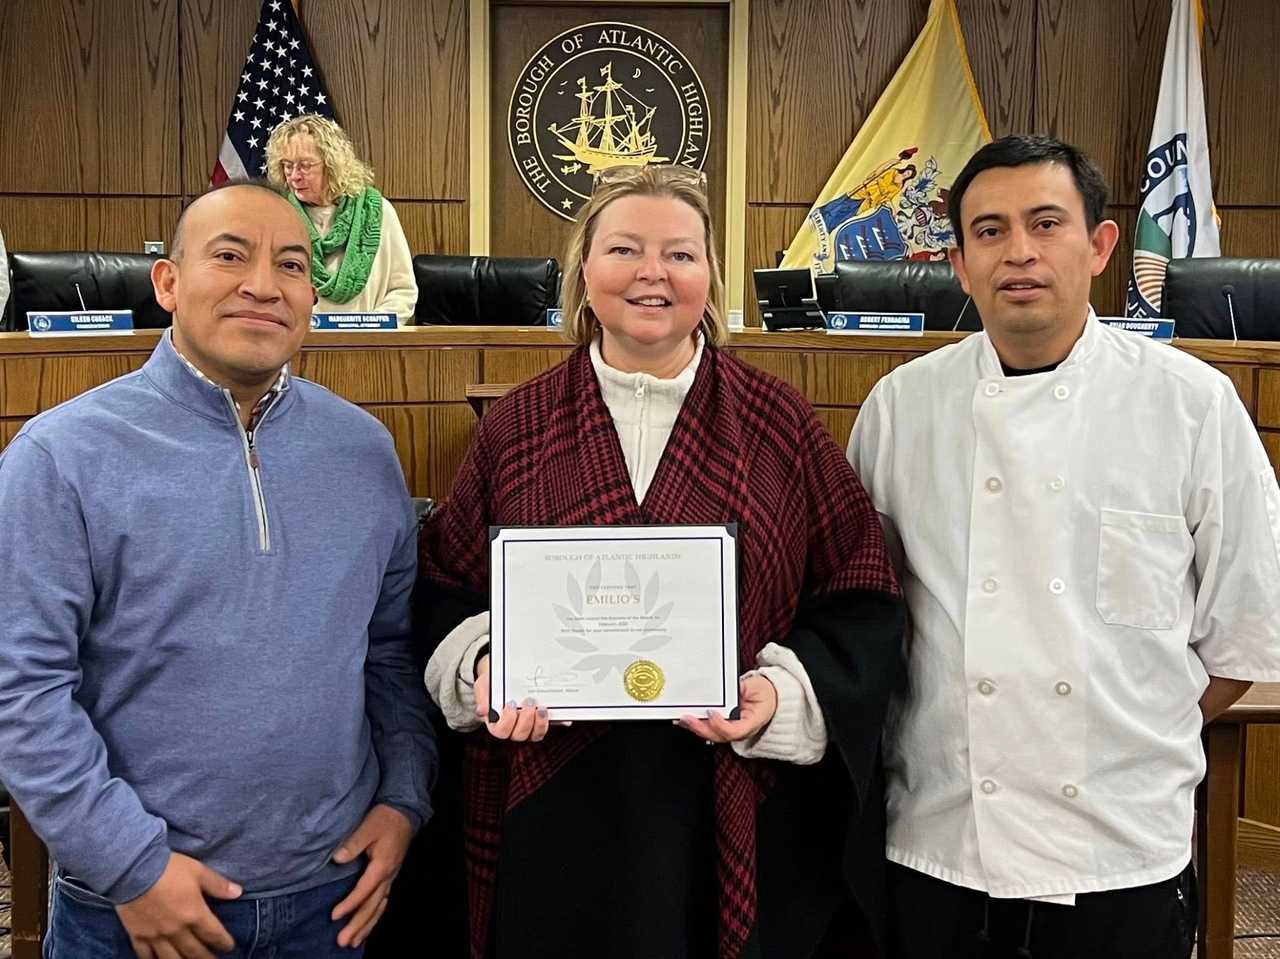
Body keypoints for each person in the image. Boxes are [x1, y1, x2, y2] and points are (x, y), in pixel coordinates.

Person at [419, 164, 904, 959]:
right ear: (584, 271)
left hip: (727, 797)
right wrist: (481, 667)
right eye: (625, 249)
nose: (653, 272)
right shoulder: (515, 425)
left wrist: (779, 697)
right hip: (553, 809)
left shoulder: (777, 422)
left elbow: (857, 594)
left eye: (680, 253)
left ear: (709, 274)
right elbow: (446, 583)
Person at [847, 135, 1280, 958]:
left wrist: (1129, 735)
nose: (1020, 252)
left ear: (1100, 244)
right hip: (942, 840)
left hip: (1122, 850)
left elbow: (1243, 635)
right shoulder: (901, 409)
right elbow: (863, 612)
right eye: (990, 231)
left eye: (1046, 223)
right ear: (961, 264)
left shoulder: (1194, 406)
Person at [0, 180, 437, 958]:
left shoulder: (365, 451)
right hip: (134, 911)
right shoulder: (59, 458)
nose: (263, 285)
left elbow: (389, 654)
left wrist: (403, 800)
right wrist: (132, 867)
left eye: (293, 265)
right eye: (230, 255)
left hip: (331, 903)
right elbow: (20, 689)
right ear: (167, 281)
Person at [265, 115, 417, 324]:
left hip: (368, 346)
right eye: (287, 166)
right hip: (300, 344)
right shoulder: (279, 213)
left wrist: (369, 331)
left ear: (332, 165)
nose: (294, 176)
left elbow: (402, 291)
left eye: (305, 166)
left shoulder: (377, 211)